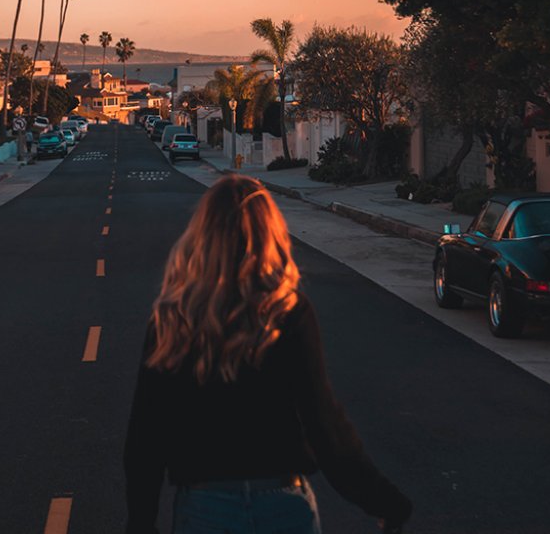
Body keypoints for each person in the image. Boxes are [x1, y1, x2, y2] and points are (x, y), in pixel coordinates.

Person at [124, 175, 412, 534]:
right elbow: (324, 425)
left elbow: (146, 436)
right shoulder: (288, 312)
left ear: (202, 235)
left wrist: (140, 522)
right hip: (283, 506)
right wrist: (382, 500)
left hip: (204, 508)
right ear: (270, 233)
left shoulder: (173, 316)